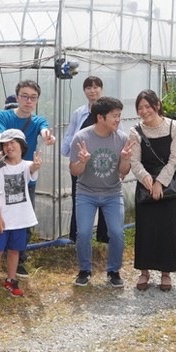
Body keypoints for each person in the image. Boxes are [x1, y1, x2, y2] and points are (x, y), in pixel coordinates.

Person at [0, 80, 54, 283]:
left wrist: (47, 136)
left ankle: (17, 264)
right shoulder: (4, 116)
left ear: (37, 100)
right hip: (4, 178)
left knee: (23, 223)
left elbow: (44, 130)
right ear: (17, 98)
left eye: (33, 97)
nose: (28, 100)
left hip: (26, 181)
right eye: (24, 96)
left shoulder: (38, 121)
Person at [68, 96, 135, 288]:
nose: (118, 120)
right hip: (86, 193)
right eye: (114, 116)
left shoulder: (122, 139)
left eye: (119, 115)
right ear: (100, 117)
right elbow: (74, 171)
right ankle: (84, 270)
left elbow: (123, 172)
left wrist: (125, 159)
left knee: (116, 232)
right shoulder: (81, 138)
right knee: (83, 232)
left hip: (112, 193)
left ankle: (113, 271)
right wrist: (82, 161)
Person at [130, 89, 176, 291]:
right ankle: (144, 271)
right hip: (145, 184)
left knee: (168, 229)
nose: (144, 111)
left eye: (148, 106)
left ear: (157, 105)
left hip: (169, 183)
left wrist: (160, 183)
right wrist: (147, 180)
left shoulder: (174, 126)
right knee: (145, 229)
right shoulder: (135, 130)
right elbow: (134, 161)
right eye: (140, 108)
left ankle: (166, 272)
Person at [0, 129, 40, 299]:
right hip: (2, 219)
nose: (9, 147)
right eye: (6, 144)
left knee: (15, 250)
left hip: (20, 219)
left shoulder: (26, 165)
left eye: (13, 143)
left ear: (22, 146)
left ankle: (11, 280)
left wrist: (36, 166)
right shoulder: (0, 168)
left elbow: (31, 171)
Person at [62, 76, 109, 246]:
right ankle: (77, 237)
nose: (92, 90)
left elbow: (118, 135)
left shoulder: (108, 111)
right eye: (88, 87)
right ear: (84, 91)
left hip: (103, 164)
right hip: (81, 165)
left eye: (96, 87)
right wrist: (67, 152)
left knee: (105, 200)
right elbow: (70, 134)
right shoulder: (79, 113)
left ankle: (104, 237)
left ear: (101, 89)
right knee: (79, 200)